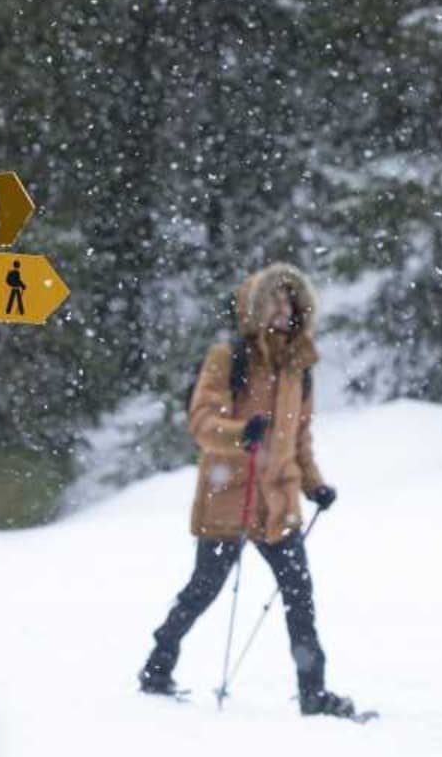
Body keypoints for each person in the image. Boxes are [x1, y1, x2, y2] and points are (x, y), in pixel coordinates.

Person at [138, 262, 360, 718]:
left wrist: (316, 485)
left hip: (279, 502)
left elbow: (299, 439)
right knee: (204, 589)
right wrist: (241, 434)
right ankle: (157, 666)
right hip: (230, 496)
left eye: (290, 300)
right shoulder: (229, 357)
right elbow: (201, 422)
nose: (284, 309)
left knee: (299, 594)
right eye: (274, 301)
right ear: (255, 308)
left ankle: (314, 693)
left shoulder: (301, 367)